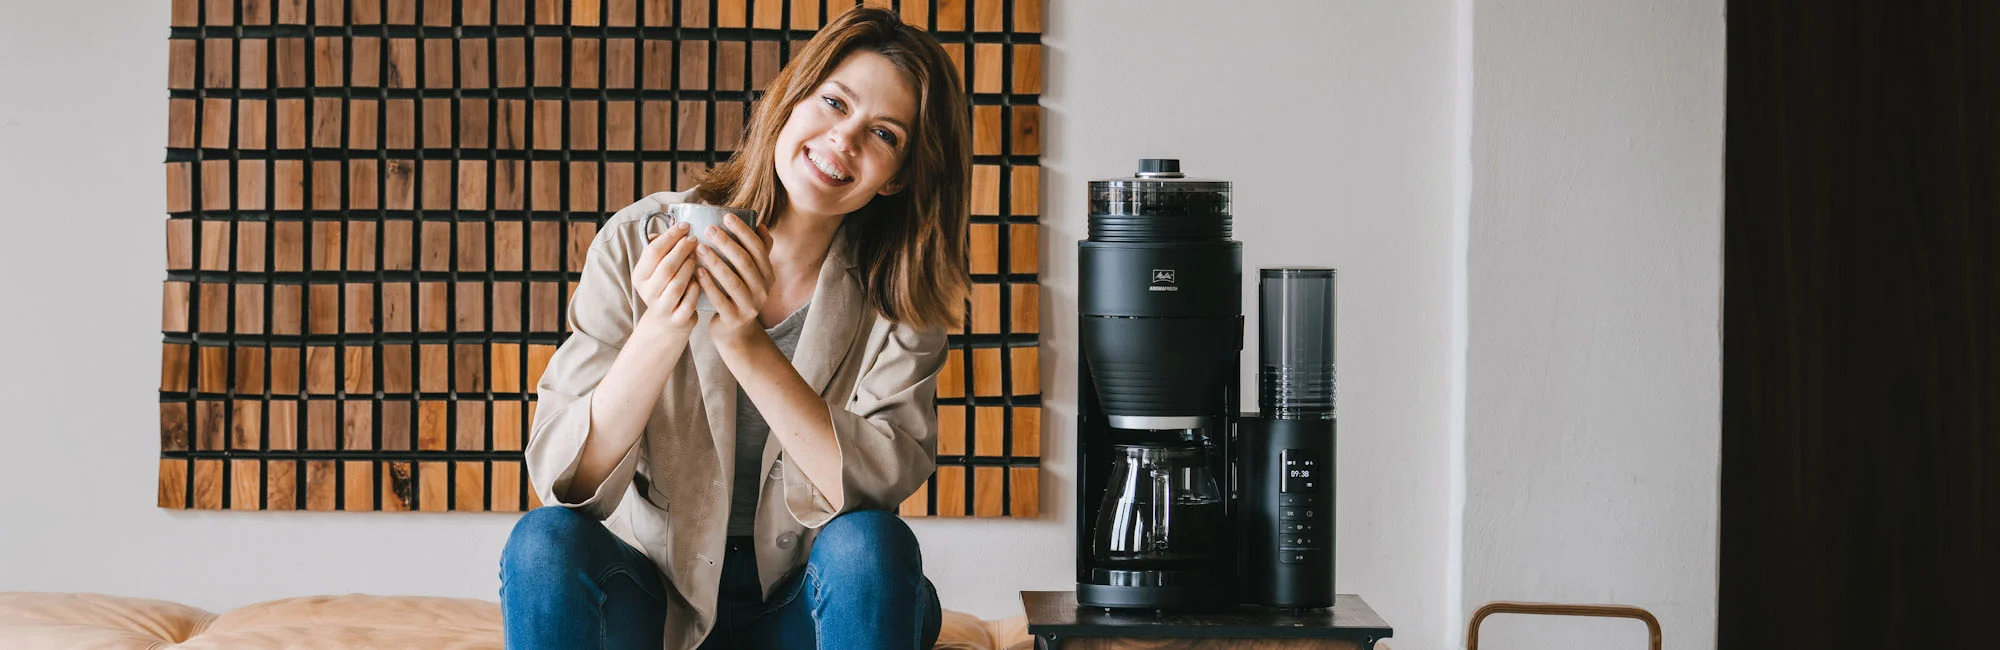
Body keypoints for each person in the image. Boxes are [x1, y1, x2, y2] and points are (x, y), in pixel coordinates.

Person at [496, 7, 971, 650]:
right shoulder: (637, 239)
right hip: (656, 601)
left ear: (900, 176)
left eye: (883, 134)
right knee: (542, 543)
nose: (844, 140)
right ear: (790, 99)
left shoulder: (902, 296)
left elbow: (873, 488)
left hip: (805, 603)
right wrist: (662, 329)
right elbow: (563, 477)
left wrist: (744, 342)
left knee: (871, 546)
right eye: (834, 102)